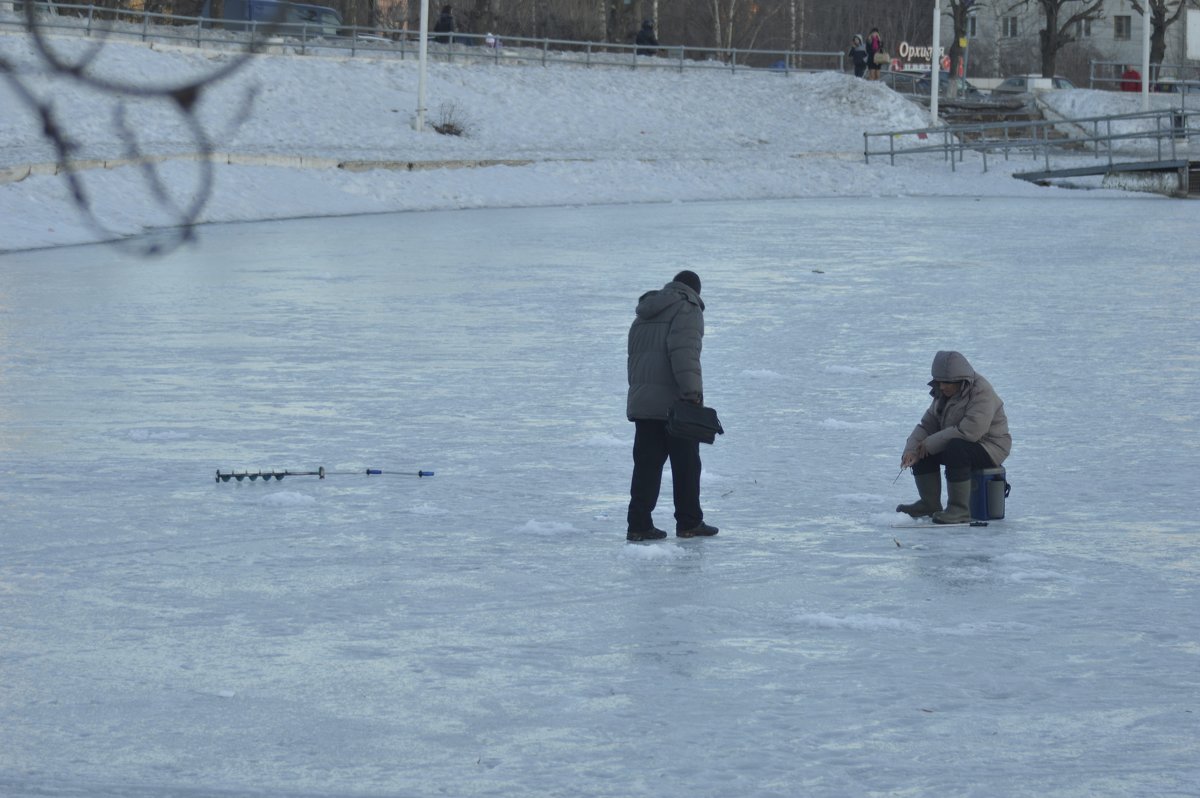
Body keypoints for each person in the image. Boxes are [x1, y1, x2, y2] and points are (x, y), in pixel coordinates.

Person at [626, 270, 717, 541]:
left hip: (644, 401)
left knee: (646, 466)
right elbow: (684, 352)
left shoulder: (644, 313)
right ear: (695, 291)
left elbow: (636, 359)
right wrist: (692, 394)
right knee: (687, 463)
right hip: (675, 403)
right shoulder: (687, 308)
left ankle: (639, 525)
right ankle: (689, 522)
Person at [897, 351, 1011, 524]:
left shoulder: (981, 392)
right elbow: (927, 425)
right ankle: (929, 504)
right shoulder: (943, 394)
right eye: (939, 382)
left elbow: (970, 432)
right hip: (959, 442)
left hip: (990, 447)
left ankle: (959, 510)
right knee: (922, 448)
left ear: (961, 381)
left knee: (955, 448)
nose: (941, 387)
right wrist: (911, 450)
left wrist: (929, 443)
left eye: (946, 383)